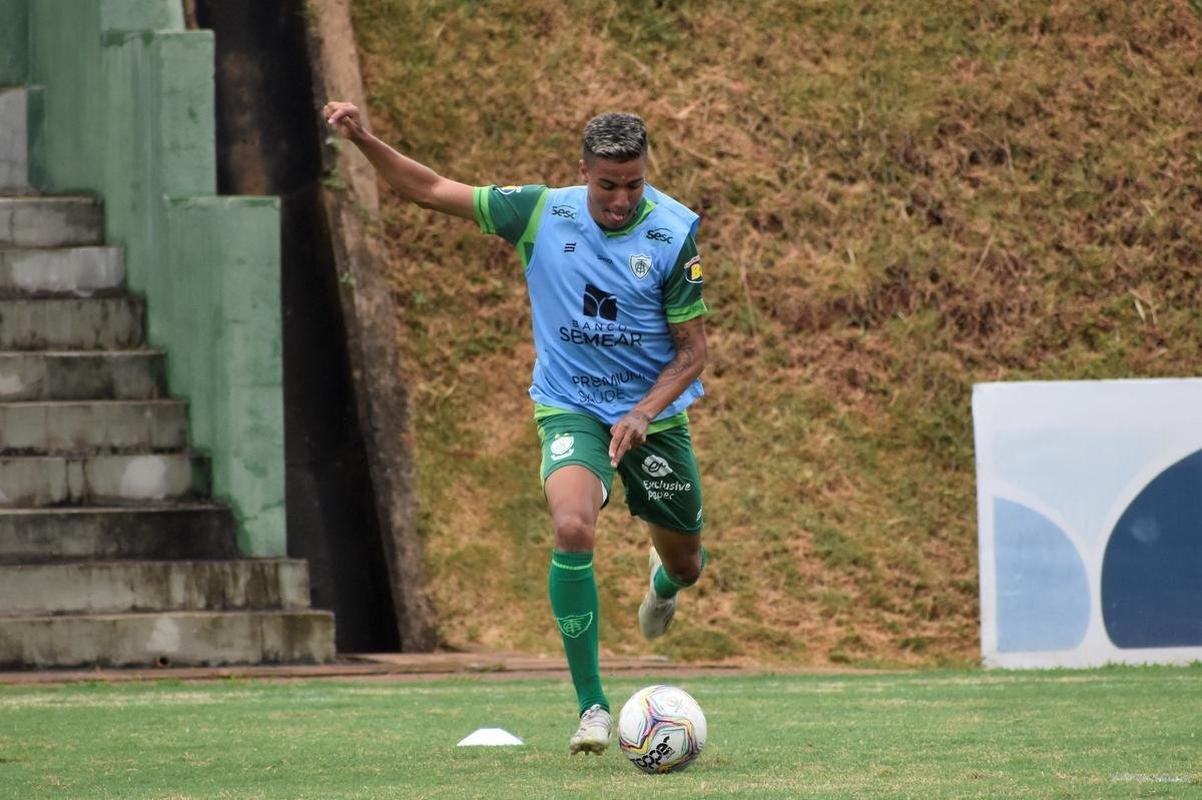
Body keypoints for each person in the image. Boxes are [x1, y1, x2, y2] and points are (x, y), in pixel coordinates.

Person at [323, 100, 710, 755]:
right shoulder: (539, 212)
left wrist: (644, 411)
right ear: (582, 172)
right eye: (607, 185)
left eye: (633, 184)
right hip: (570, 406)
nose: (621, 200)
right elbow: (429, 188)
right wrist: (364, 139)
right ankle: (592, 707)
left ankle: (663, 582)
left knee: (688, 564)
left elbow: (692, 352)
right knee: (572, 526)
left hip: (654, 417)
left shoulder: (672, 233)